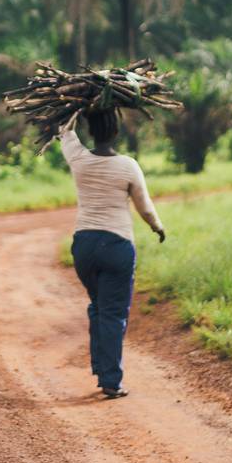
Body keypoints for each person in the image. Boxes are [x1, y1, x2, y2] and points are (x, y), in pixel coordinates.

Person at [58, 107, 166, 399]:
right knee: (113, 313)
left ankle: (101, 368)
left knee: (99, 306)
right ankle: (110, 380)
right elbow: (144, 207)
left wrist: (76, 108)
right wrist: (157, 227)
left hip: (84, 247)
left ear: (91, 131)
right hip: (117, 246)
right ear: (116, 131)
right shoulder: (128, 165)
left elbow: (64, 131)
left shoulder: (78, 158)